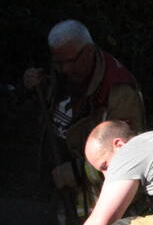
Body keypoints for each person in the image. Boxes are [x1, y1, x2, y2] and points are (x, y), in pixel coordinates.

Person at [22, 19, 144, 207]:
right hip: (61, 190)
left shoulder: (118, 90)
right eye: (58, 63)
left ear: (88, 51)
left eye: (68, 62)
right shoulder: (64, 71)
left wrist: (77, 172)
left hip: (98, 199)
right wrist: (39, 84)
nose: (64, 69)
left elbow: (127, 156)